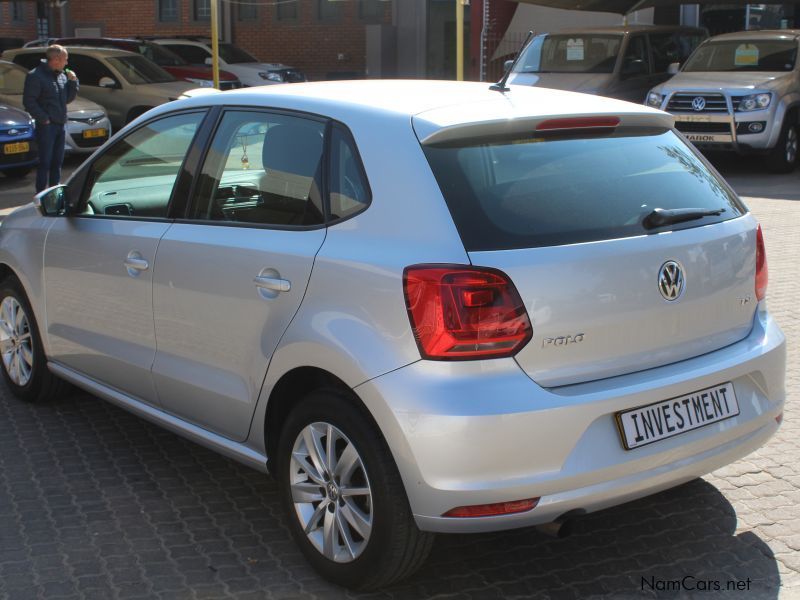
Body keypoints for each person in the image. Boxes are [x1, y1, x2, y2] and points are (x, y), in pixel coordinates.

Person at [23, 45, 79, 193]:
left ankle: (54, 194)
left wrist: (73, 82)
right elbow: (29, 102)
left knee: (57, 163)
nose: (66, 63)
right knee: (45, 163)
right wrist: (44, 119)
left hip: (60, 124)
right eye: (65, 59)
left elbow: (67, 98)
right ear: (56, 59)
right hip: (46, 126)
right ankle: (40, 194)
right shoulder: (35, 75)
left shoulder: (61, 75)